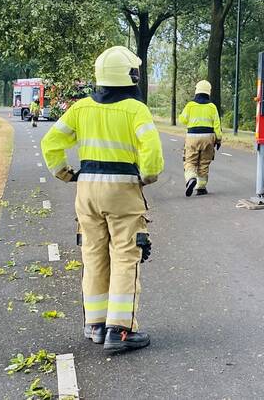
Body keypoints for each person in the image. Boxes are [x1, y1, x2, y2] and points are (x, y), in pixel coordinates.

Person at [40, 46, 164, 353]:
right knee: (125, 255)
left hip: (87, 190)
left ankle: (94, 325)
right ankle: (120, 330)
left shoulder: (81, 108)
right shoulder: (136, 110)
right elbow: (152, 155)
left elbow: (50, 142)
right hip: (122, 189)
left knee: (93, 255)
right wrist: (146, 176)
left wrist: (65, 174)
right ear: (131, 76)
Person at [178, 80, 222, 197]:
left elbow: (182, 120)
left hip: (192, 137)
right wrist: (218, 139)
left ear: (196, 90)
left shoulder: (190, 105)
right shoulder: (212, 107)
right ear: (209, 92)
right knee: (204, 162)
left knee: (190, 161)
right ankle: (201, 187)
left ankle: (191, 178)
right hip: (208, 137)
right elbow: (217, 125)